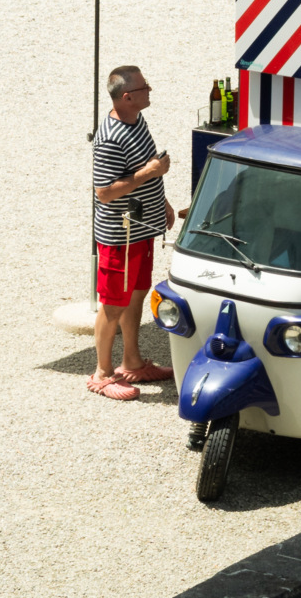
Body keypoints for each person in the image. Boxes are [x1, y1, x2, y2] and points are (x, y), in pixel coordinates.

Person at [88, 65, 176, 400]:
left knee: (137, 294)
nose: (149, 90)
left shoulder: (138, 121)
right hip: (120, 235)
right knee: (113, 304)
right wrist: (149, 173)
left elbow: (145, 164)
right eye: (144, 87)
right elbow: (104, 192)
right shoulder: (110, 138)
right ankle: (102, 373)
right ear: (127, 97)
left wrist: (162, 201)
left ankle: (132, 362)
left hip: (141, 227)